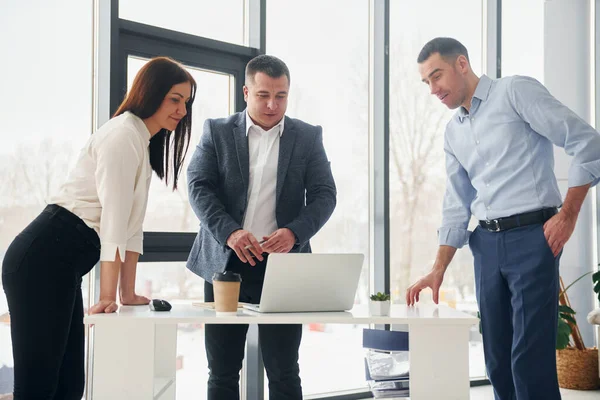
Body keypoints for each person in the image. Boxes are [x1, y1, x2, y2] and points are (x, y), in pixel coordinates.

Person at [405, 37, 600, 400]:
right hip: (486, 245)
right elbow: (457, 203)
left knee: (529, 361)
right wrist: (438, 268)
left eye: (437, 76)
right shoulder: (453, 131)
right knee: (495, 359)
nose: (433, 89)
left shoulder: (514, 92)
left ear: (461, 64)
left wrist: (568, 214)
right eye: (426, 83)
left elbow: (588, 144)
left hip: (533, 237)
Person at [1, 56, 196, 400]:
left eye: (186, 101)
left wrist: (127, 292)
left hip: (61, 265)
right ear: (151, 93)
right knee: (38, 387)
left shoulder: (141, 141)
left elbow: (132, 228)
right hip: (41, 260)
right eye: (175, 99)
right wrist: (107, 295)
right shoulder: (123, 134)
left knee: (69, 386)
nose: (182, 110)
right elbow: (114, 221)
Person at [186, 54, 336, 400]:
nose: (272, 104)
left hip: (283, 266)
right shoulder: (217, 131)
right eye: (263, 94)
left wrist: (295, 232)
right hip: (226, 265)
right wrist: (231, 232)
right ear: (245, 92)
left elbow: (325, 195)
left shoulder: (308, 137)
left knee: (284, 370)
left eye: (281, 95)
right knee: (222, 370)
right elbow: (198, 186)